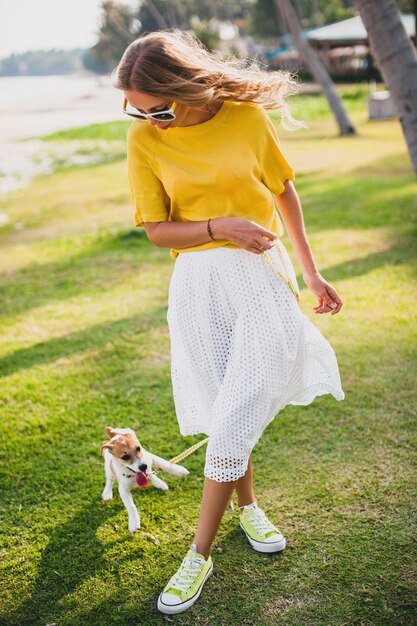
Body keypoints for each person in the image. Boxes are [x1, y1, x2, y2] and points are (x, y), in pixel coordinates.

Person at [112, 29, 345, 615]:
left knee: (238, 404)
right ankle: (248, 508)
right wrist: (220, 227)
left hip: (260, 276)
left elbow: (284, 191)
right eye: (135, 110)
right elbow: (157, 230)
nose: (148, 120)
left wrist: (313, 275)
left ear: (184, 87)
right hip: (197, 284)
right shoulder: (145, 140)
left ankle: (199, 552)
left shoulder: (242, 119)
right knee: (225, 407)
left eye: (157, 108)